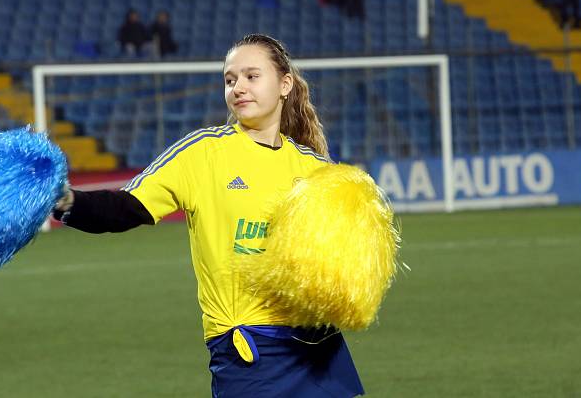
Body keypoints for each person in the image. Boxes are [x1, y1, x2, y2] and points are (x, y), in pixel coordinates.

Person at [51, 34, 364, 398]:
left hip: (317, 345)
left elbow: (343, 254)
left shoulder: (315, 166)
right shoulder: (204, 153)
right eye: (230, 80)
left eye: (251, 76)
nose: (238, 88)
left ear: (284, 84)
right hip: (249, 349)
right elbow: (125, 208)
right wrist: (66, 200)